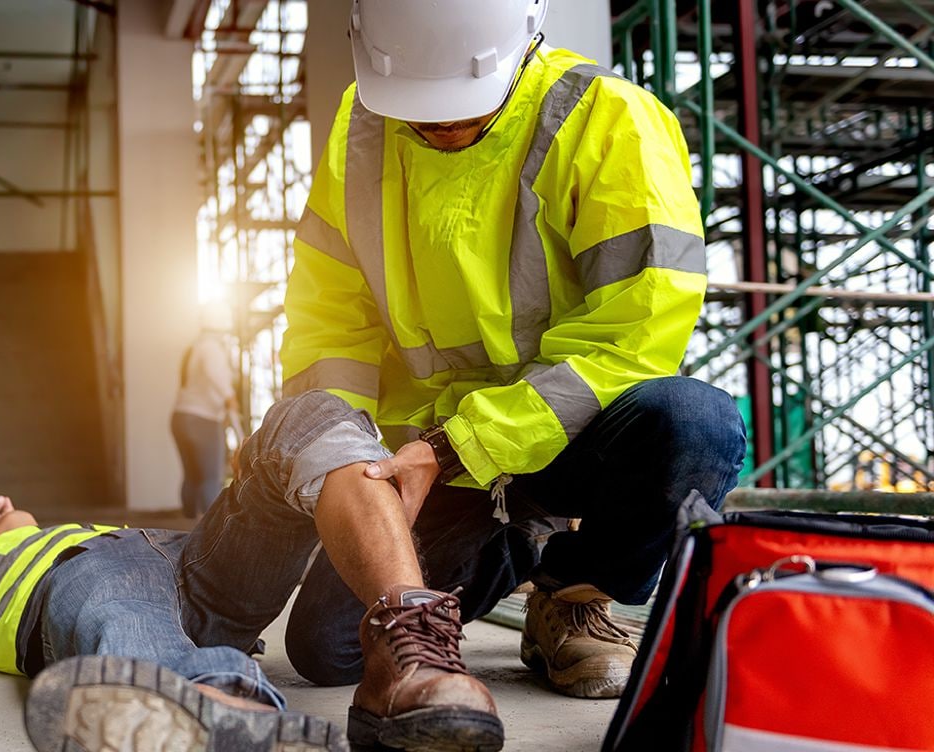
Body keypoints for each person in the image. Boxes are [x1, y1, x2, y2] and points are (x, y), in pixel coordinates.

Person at [171, 0, 748, 749]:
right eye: (422, 112)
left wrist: (454, 447)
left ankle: (575, 595)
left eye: (464, 110)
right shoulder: (364, 126)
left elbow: (634, 335)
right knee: (329, 649)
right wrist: (343, 459)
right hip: (429, 462)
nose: (440, 128)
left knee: (695, 424)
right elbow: (333, 320)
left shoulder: (608, 121)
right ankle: (516, 545)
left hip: (565, 437)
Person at [0, 495, 346, 752]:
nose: (2, 508)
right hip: (103, 580)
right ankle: (219, 704)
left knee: (279, 457)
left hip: (178, 562)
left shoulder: (69, 531)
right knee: (121, 607)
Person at [171, 302, 241, 516]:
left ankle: (184, 528)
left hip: (180, 417)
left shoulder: (195, 346)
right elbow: (216, 374)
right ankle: (213, 534)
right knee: (211, 478)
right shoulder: (212, 347)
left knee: (192, 477)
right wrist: (230, 397)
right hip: (203, 420)